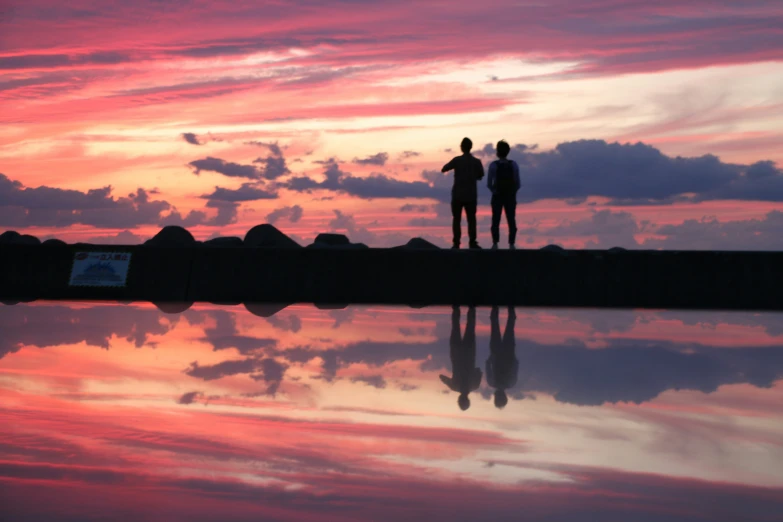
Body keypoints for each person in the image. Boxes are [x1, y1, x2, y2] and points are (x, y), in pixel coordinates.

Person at [442, 138, 485, 249]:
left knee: (457, 219)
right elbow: (481, 175)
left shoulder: (457, 160)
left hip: (458, 195)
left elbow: (444, 168)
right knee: (471, 219)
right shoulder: (476, 162)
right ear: (471, 147)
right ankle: (472, 242)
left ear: (461, 147)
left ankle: (456, 243)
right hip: (471, 195)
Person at [440, 305, 482, 410]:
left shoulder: (475, 385)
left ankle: (472, 309)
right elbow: (442, 377)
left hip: (469, 354)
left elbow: (478, 371)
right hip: (456, 355)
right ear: (459, 400)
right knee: (455, 327)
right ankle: (456, 308)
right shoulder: (454, 386)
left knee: (470, 328)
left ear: (468, 400)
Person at [486, 140, 521, 250]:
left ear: (497, 151)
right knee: (511, 219)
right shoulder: (513, 164)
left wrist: (494, 191)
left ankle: (495, 243)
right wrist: (513, 192)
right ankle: (511, 244)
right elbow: (518, 183)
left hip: (497, 195)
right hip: (510, 196)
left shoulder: (493, 165)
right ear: (508, 151)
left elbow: (489, 184)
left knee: (496, 220)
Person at [486, 305, 518, 409]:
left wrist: (511, 356)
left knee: (510, 325)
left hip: (509, 352)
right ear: (496, 397)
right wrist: (493, 356)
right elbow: (487, 364)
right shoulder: (491, 382)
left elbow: (516, 364)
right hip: (496, 351)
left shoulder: (511, 383)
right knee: (494, 324)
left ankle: (511, 307)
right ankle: (495, 306)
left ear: (505, 397)